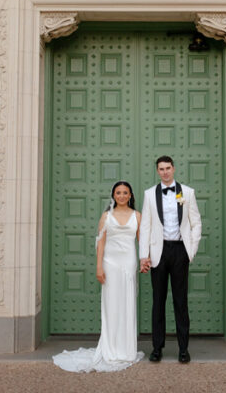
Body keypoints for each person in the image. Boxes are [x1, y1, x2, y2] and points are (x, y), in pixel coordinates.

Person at [52, 181, 144, 372]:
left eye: (125, 192)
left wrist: (145, 260)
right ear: (113, 195)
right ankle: (110, 349)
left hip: (128, 263)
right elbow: (100, 243)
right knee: (111, 304)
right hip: (110, 264)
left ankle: (126, 350)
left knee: (127, 304)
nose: (121, 195)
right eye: (118, 192)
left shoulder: (137, 216)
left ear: (130, 195)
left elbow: (141, 241)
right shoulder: (106, 216)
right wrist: (98, 267)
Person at [139, 155, 202, 364]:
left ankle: (183, 349)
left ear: (174, 169)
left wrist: (190, 251)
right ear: (157, 171)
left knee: (180, 301)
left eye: (168, 168)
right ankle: (157, 348)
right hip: (158, 252)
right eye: (161, 169)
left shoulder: (187, 193)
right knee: (158, 301)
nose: (165, 172)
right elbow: (146, 226)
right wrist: (143, 256)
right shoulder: (149, 194)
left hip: (179, 252)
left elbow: (196, 223)